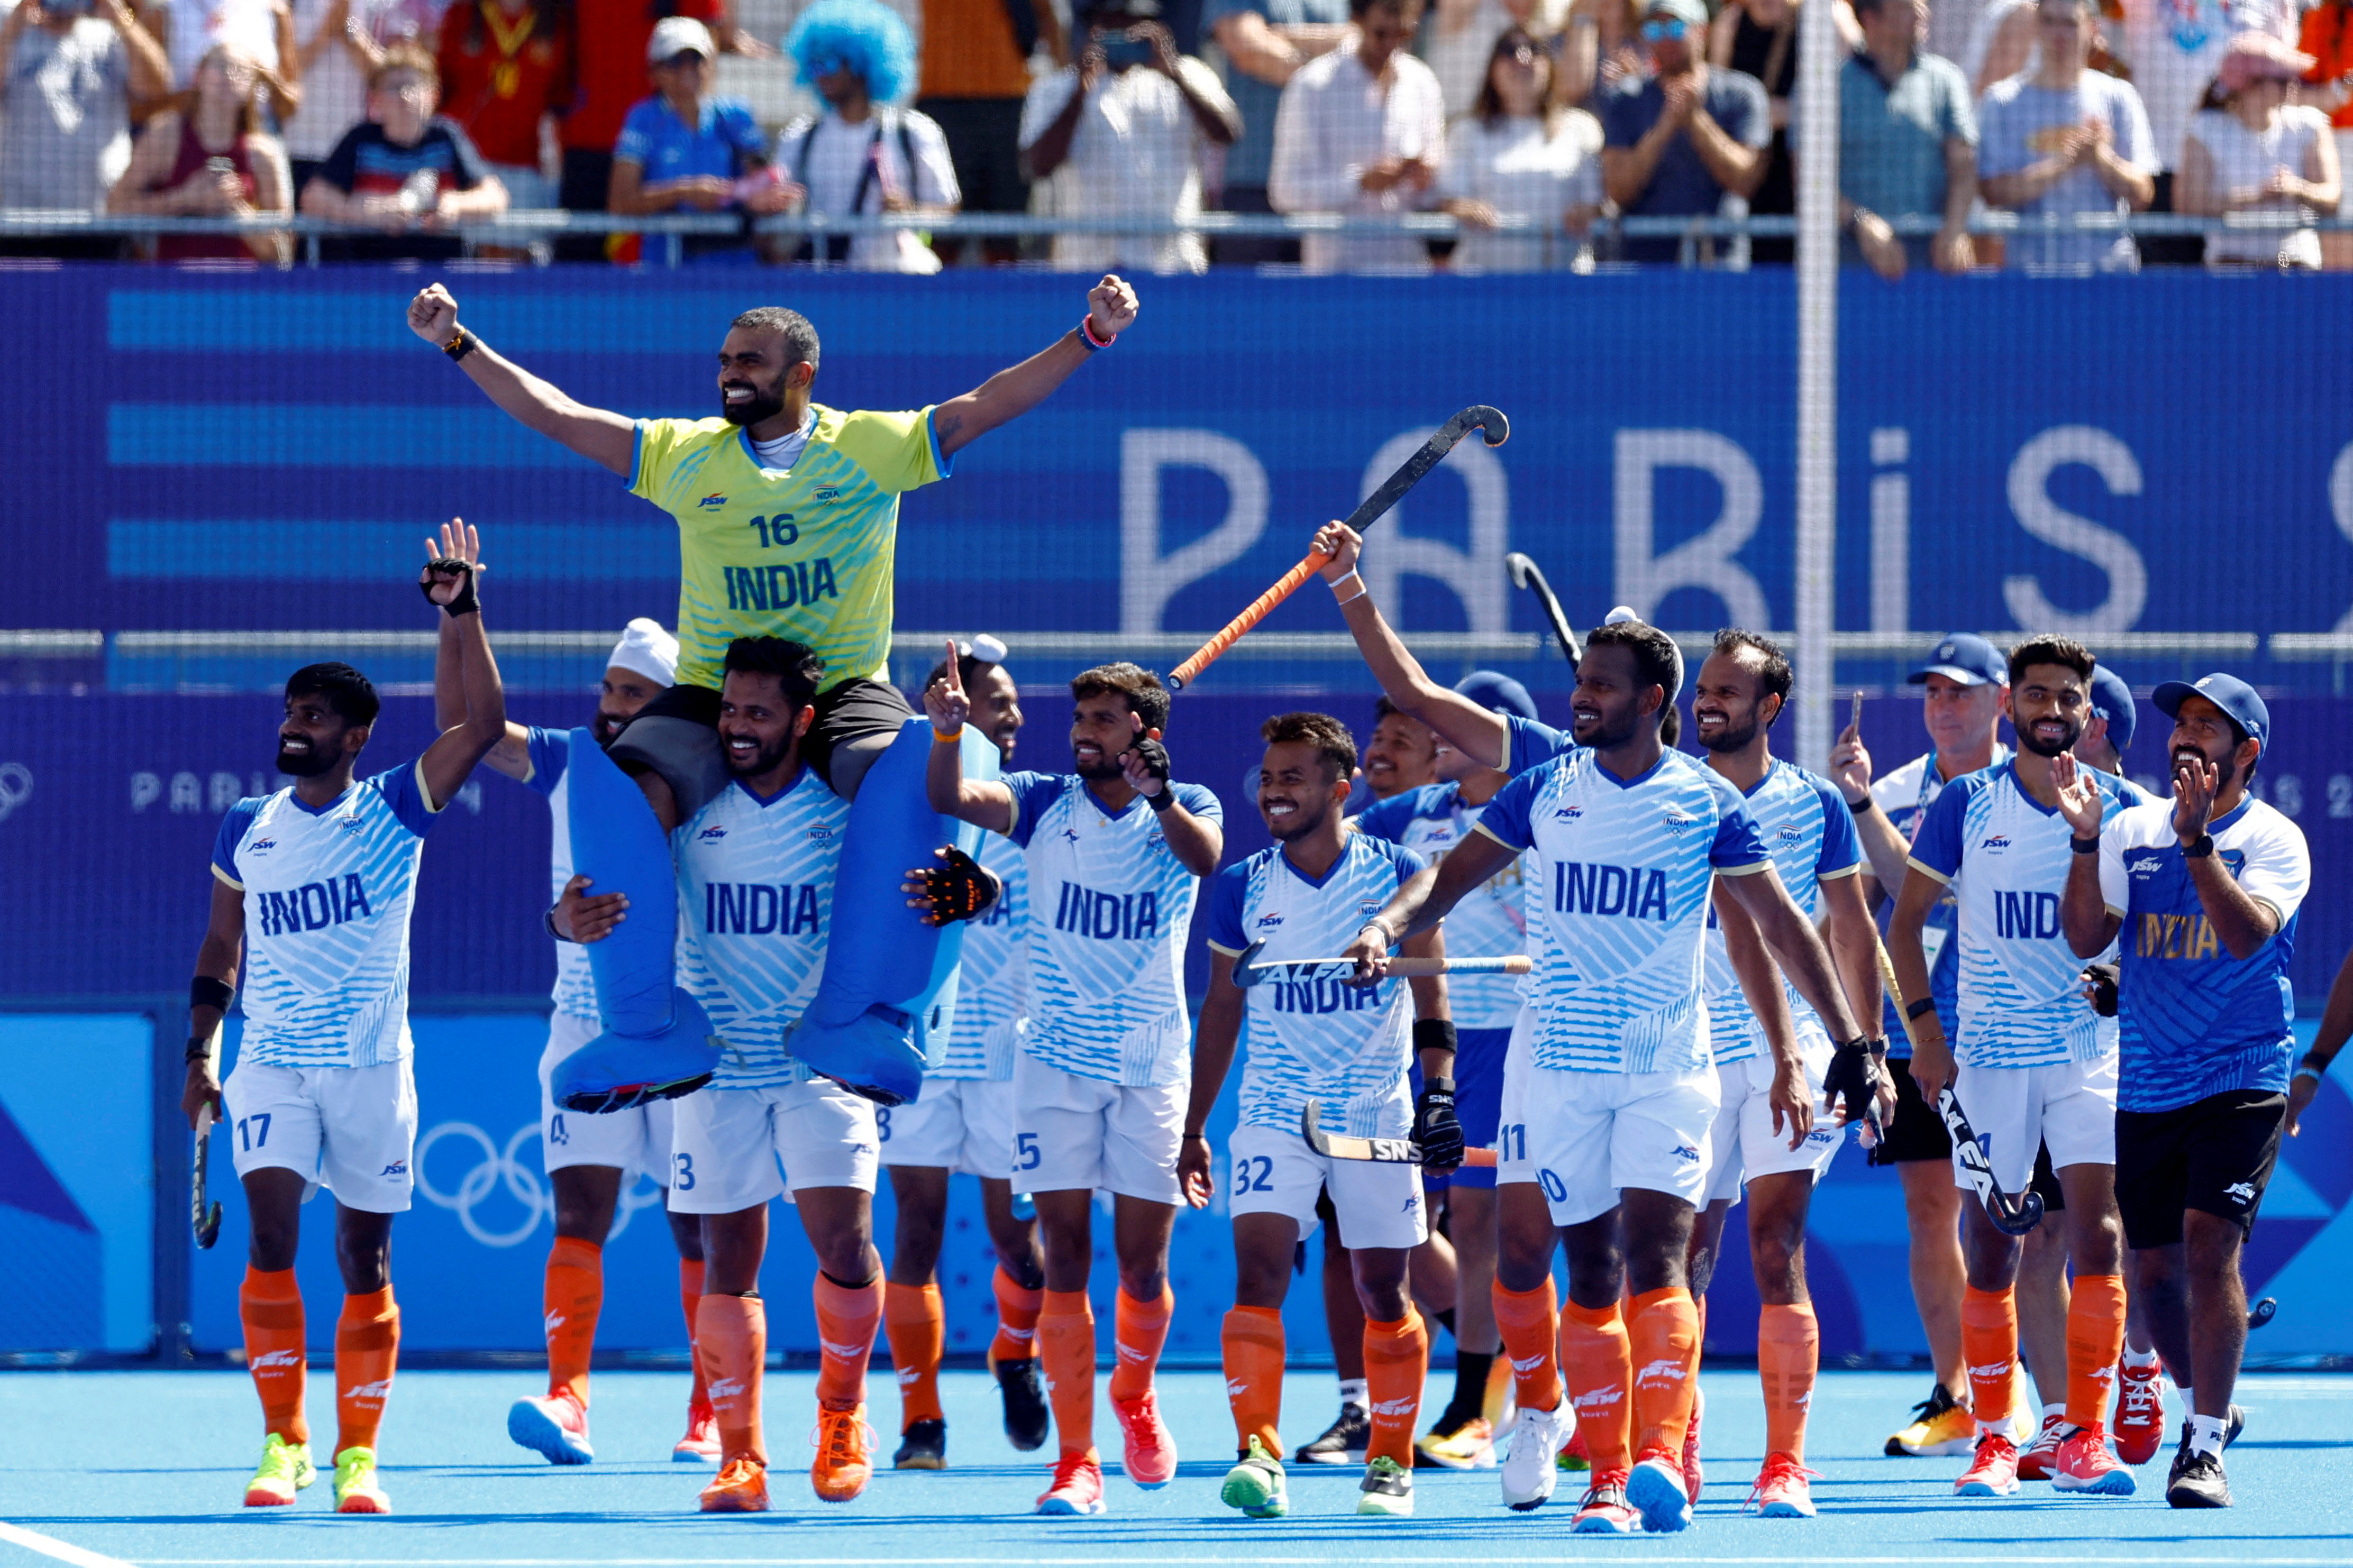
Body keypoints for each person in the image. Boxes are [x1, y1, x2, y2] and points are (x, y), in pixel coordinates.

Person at [1335, 593, 1877, 1535]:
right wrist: (1386, 924)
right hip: (1555, 1072)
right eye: (1578, 681)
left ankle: (1648, 1463)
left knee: (1660, 1261)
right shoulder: (1542, 790)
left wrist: (1854, 1044)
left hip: (1668, 1066)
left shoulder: (1705, 801)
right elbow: (1447, 875)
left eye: (1599, 685)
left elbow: (1782, 928)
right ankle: (1585, 1451)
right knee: (1583, 1270)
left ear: (1650, 698)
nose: (1579, 698)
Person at [182, 539, 505, 1515]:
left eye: (314, 716)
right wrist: (203, 1051)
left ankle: (357, 1455)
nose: (294, 725)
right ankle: (283, 1443)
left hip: (373, 1067)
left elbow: (482, 722)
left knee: (364, 1260)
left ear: (356, 735)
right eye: (289, 710)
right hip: (271, 1062)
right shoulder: (246, 825)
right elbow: (219, 948)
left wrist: (461, 609)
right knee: (272, 1237)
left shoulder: (396, 808)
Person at [554, 636, 886, 1512]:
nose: (738, 728)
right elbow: (604, 897)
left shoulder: (845, 812)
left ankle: (842, 1418)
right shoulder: (683, 810)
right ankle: (741, 1457)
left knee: (845, 1252)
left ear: (803, 721)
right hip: (719, 1070)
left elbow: (919, 886)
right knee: (724, 1261)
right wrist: (567, 920)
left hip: (820, 1068)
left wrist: (969, 887)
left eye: (758, 714)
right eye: (730, 710)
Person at [421, 597, 718, 1468]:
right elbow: (464, 729)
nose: (614, 703)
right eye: (609, 686)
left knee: (695, 1225)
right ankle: (569, 1401)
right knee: (579, 1217)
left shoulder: (712, 779)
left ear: (668, 704)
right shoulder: (566, 761)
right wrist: (462, 616)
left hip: (684, 1038)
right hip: (584, 1030)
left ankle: (710, 1412)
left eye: (634, 691)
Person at [922, 659, 1225, 1516]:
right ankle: (1077, 1460)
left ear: (1144, 731)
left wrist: (1160, 796)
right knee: (1065, 1262)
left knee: (1142, 1266)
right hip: (1052, 1062)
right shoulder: (1044, 800)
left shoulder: (1190, 804)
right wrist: (947, 732)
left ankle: (1134, 1393)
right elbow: (955, 799)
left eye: (1102, 717)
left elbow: (1202, 861)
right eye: (1080, 716)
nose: (1083, 729)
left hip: (1150, 1066)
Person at [1888, 635, 2137, 1500]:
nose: (2049, 710)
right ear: (2011, 707)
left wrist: (2114, 982)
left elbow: (2137, 938)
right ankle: (1996, 1439)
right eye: (2034, 695)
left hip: (2085, 1058)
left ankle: (2084, 1436)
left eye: (2065, 698)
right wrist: (1925, 1034)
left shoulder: (2124, 809)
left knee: (2095, 1236)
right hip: (1986, 1056)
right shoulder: (1964, 803)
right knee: (1991, 1247)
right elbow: (1904, 922)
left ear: (2087, 712)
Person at [2054, 673, 2306, 1508]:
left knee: (2210, 1247)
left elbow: (2243, 940)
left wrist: (2199, 846)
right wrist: (2088, 844)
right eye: (2183, 722)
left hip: (2245, 1072)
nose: (2189, 736)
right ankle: (2213, 1403)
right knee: (2152, 1266)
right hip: (2150, 1078)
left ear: (2249, 753)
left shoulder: (2276, 839)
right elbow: (2088, 937)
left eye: (2211, 725)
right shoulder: (2132, 828)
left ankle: (2200, 1447)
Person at [1189, 712, 1446, 1519]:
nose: (1274, 791)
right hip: (1274, 1107)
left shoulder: (1397, 872)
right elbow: (1223, 1010)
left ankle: (1390, 1461)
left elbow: (1432, 985)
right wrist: (1196, 1125)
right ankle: (1259, 1456)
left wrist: (1436, 1092)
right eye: (1268, 778)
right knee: (1258, 1275)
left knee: (1381, 1288)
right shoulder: (1240, 886)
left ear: (1340, 789)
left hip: (1375, 1109)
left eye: (1293, 777)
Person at [1684, 629, 1887, 1519]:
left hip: (1793, 1059)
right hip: (1679, 1055)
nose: (1706, 703)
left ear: (1769, 708)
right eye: (1701, 687)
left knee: (1775, 1249)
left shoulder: (1814, 804)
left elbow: (1850, 930)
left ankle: (1783, 1466)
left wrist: (1866, 1052)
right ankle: (1671, 1447)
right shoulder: (1661, 795)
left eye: (1727, 690)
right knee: (1678, 1258)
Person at [1826, 634, 2038, 1459]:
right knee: (1930, 1210)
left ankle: (2032, 1393)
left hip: (2014, 1034)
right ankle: (1959, 1392)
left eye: (1962, 692)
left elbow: (1936, 879)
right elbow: (1863, 913)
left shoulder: (2021, 789)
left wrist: (1863, 810)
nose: (1944, 707)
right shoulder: (1890, 789)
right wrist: (1864, 1035)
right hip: (1920, 1036)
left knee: (2020, 1215)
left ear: (2001, 703)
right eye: (1934, 694)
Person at [876, 638, 1051, 1469]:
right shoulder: (897, 810)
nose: (1013, 715)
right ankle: (921, 1420)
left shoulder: (1036, 810)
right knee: (915, 1232)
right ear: (947, 710)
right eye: (997, 701)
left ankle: (1015, 1353)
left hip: (1011, 1064)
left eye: (1016, 702)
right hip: (921, 1055)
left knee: (1018, 1242)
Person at [1352, 677, 1536, 1471]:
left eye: (1461, 723)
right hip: (1421, 1036)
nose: (1439, 729)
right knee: (1410, 1221)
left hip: (1511, 1029)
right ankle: (1506, 1368)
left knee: (1484, 1217)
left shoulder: (1542, 808)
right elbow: (1332, 844)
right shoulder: (1411, 816)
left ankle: (1474, 1408)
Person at [1291, 691, 1462, 1469]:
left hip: (1470, 1048)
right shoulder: (1340, 840)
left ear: (1444, 755)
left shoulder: (1469, 826)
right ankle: (1360, 1406)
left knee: (1431, 1240)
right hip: (1347, 1076)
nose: (1383, 751)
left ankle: (1516, 1373)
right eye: (1378, 738)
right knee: (1349, 1241)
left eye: (1404, 739)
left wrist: (1441, 1087)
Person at [1019, 0, 1241, 276]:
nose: (1125, 31)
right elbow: (1036, 166)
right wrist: (1079, 95)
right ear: (1092, 28)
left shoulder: (1189, 73)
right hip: (1086, 265)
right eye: (1112, 22)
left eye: (1135, 22)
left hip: (1170, 262)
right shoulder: (1056, 87)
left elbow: (1227, 134)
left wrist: (1174, 74)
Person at [771, 0, 960, 273]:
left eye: (830, 62)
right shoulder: (799, 136)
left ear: (861, 61)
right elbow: (779, 216)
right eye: (814, 66)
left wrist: (909, 210)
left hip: (897, 282)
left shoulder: (914, 132)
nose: (821, 76)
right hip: (826, 285)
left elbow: (949, 211)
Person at [1976, 0, 2155, 274]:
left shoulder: (2119, 97)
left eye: (2070, 23)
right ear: (2036, 26)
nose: (2058, 33)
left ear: (2092, 29)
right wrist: (2064, 165)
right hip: (2031, 275)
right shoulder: (2001, 101)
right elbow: (1992, 191)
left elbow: (2143, 193)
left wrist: (2101, 159)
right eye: (2048, 22)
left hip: (2108, 275)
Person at [1267, 0, 1445, 272]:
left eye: (1407, 28)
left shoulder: (1423, 82)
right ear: (1358, 17)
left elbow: (1432, 191)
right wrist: (1360, 182)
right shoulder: (1312, 85)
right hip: (1335, 274)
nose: (1398, 32)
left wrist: (1426, 179)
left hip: (1407, 273)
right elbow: (1285, 191)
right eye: (1388, 20)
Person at [2120, 0, 2301, 264]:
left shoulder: (2274, 4)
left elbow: (2286, 76)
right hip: (2160, 169)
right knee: (2170, 294)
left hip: (2240, 180)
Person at [1597, 0, 1770, 265]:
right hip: (1647, 267)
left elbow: (1746, 179)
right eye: (1654, 29)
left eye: (1676, 27)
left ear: (1702, 31)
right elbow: (1618, 190)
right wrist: (1665, 126)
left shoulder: (1742, 94)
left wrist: (1696, 121)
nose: (1666, 38)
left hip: (1721, 263)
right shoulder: (1625, 99)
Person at [302, 44, 509, 259]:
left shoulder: (447, 137)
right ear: (375, 99)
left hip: (442, 276)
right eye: (393, 87)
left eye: (413, 85)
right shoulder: (360, 139)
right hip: (372, 275)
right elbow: (313, 198)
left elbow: (495, 197)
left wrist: (455, 206)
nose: (404, 96)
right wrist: (371, 212)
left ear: (433, 96)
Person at [0, 0, 172, 256]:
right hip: (22, 220)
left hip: (100, 220)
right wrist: (13, 28)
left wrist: (122, 19)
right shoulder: (11, 24)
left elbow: (158, 88)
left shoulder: (109, 34)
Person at [607, 19, 788, 256]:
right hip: (666, 272)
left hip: (735, 271)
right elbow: (620, 203)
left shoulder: (736, 115)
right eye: (675, 61)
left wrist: (765, 197)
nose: (687, 70)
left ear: (711, 65)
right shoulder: (643, 120)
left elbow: (763, 179)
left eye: (697, 60)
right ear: (654, 72)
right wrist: (685, 193)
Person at [1435, 24, 1605, 272]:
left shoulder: (1581, 127)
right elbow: (1449, 200)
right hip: (1487, 283)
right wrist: (1466, 209)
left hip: (1563, 282)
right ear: (1492, 69)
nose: (1522, 59)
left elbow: (1597, 203)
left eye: (1534, 50)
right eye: (1510, 50)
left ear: (1550, 66)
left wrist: (1587, 213)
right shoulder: (1466, 132)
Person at [108, 41, 293, 261]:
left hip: (240, 290)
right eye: (222, 65)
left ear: (252, 88)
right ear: (199, 76)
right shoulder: (166, 136)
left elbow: (284, 252)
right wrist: (185, 199)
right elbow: (116, 209)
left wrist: (238, 213)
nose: (230, 75)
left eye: (242, 71)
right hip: (173, 287)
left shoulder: (263, 154)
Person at [915, 0, 1066, 263]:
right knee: (942, 229)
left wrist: (1068, 79)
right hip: (942, 100)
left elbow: (1046, 15)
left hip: (1007, 102)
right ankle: (932, 299)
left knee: (1006, 230)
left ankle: (1005, 302)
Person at [1707, 0, 1858, 262]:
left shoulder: (1829, 15)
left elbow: (1859, 91)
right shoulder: (1730, 23)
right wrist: (1756, 119)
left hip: (1809, 177)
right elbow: (1718, 101)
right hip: (1749, 175)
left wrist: (1794, 114)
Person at [1204, 0, 1353, 263]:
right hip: (1253, 185)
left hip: (1328, 191)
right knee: (1247, 302)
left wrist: (1281, 36)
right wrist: (1331, 61)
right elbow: (1249, 50)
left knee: (1325, 301)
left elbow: (1360, 40)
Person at [1838, 0, 1977, 279]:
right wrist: (1862, 223)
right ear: (1870, 19)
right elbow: (1809, 182)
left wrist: (1955, 227)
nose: (1921, 13)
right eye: (1905, 6)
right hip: (1848, 276)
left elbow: (1964, 167)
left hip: (1933, 276)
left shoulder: (1947, 80)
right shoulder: (1827, 86)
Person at [2177, 31, 2339, 270]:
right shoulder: (2205, 129)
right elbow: (2188, 206)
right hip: (2230, 267)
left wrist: (2298, 190)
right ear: (2248, 85)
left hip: (2292, 264)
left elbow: (2332, 197)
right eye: (2282, 80)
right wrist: (2257, 195)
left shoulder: (2310, 124)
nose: (2293, 85)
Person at [285, 0, 445, 197]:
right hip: (298, 144)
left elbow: (398, 70)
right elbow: (284, 70)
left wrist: (350, 29)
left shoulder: (386, 5)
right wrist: (326, 31)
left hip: (357, 150)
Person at [435, 0, 574, 211]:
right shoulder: (462, 13)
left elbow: (560, 99)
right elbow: (438, 83)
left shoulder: (555, 22)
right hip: (464, 164)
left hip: (524, 165)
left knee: (516, 243)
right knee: (466, 243)